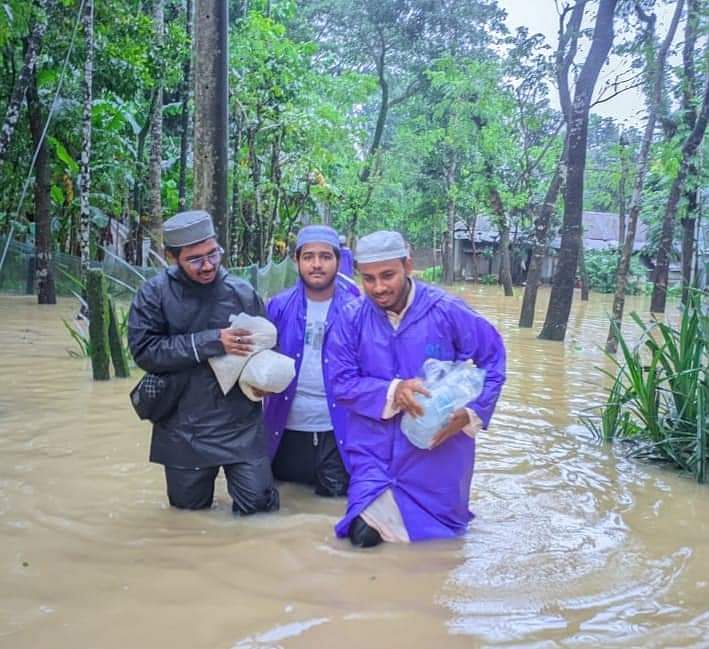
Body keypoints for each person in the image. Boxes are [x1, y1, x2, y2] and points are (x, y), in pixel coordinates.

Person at [328, 230, 506, 546]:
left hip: (437, 454)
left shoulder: (448, 310)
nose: (379, 288)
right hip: (374, 453)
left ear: (408, 266)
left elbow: (493, 360)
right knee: (362, 538)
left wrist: (470, 414)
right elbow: (341, 383)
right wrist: (392, 391)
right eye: (368, 279)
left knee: (440, 547)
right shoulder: (350, 319)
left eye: (388, 275)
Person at [128, 210, 279, 515]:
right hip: (183, 425)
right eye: (195, 259)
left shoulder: (242, 292)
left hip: (240, 421)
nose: (208, 265)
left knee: (260, 508)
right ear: (172, 258)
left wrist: (264, 380)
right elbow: (145, 351)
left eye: (213, 254)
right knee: (187, 516)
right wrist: (209, 342)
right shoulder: (153, 294)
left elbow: (262, 347)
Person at [264, 225, 358, 497]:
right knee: (281, 502)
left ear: (338, 262)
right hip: (285, 428)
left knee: (334, 504)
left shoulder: (357, 309)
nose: (317, 264)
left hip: (336, 431)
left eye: (325, 257)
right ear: (297, 261)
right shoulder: (277, 306)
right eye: (308, 257)